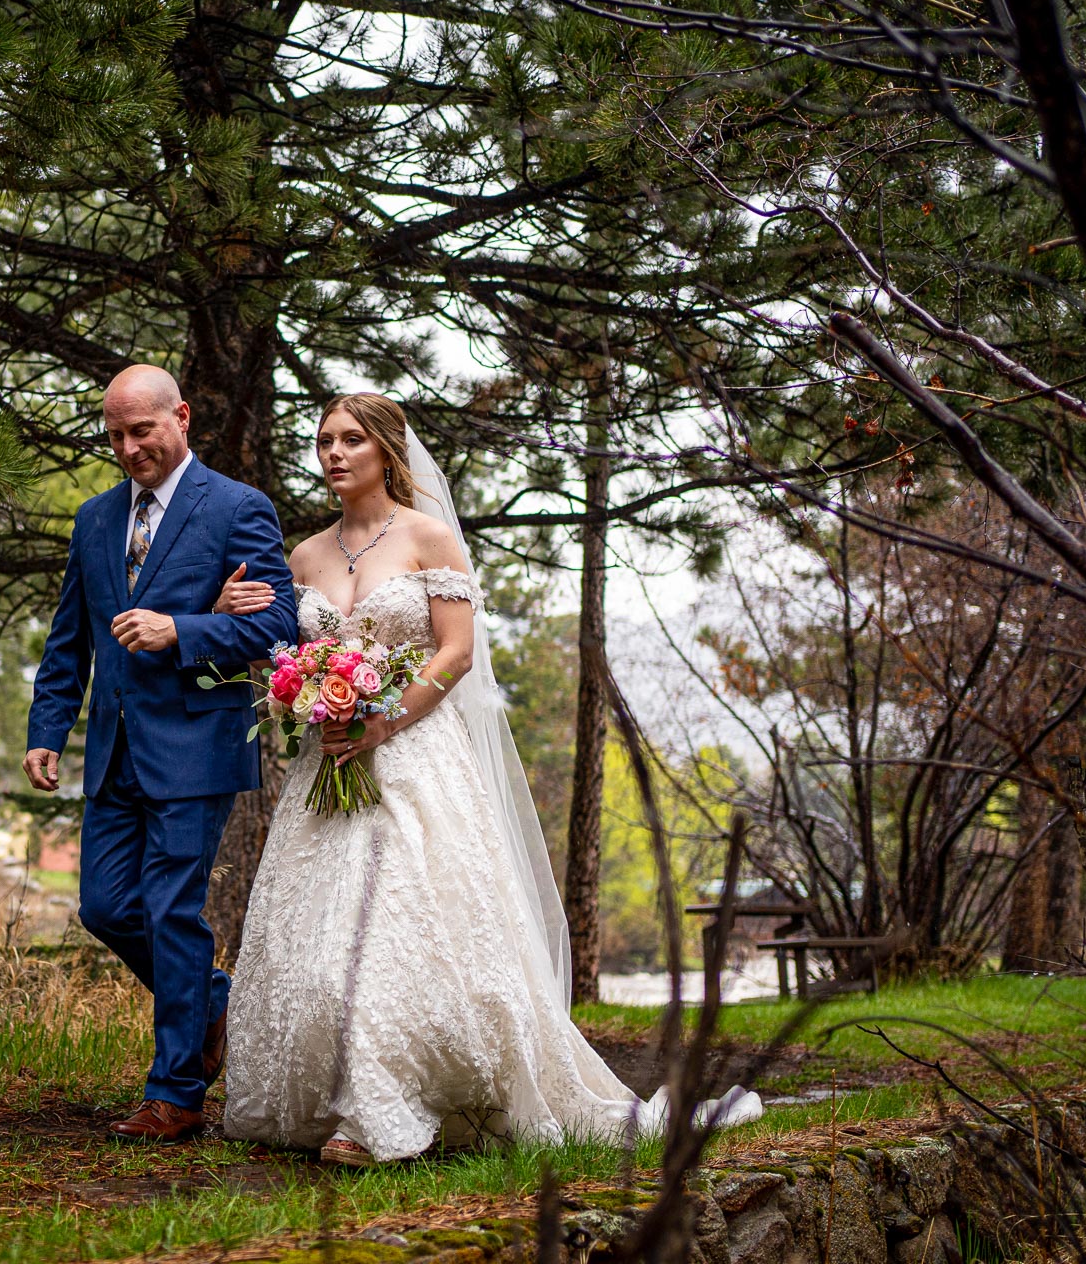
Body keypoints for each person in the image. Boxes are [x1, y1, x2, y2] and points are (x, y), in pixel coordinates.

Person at [212, 393, 761, 1165]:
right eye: (323, 440)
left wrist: (382, 720)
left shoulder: (430, 538)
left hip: (413, 760)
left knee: (398, 929)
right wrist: (266, 649)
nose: (333, 453)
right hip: (326, 767)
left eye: (350, 441)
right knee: (322, 935)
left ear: (387, 451)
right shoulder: (303, 557)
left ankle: (383, 1112)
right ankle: (327, 1098)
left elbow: (455, 653)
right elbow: (264, 649)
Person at [24, 364, 298, 1143]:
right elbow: (68, 638)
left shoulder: (239, 509)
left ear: (181, 417)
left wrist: (183, 629)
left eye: (142, 430)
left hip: (195, 744)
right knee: (106, 907)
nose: (129, 446)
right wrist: (48, 731)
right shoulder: (94, 518)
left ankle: (175, 1093)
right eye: (114, 434)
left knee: (173, 912)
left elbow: (280, 629)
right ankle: (214, 1003)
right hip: (112, 751)